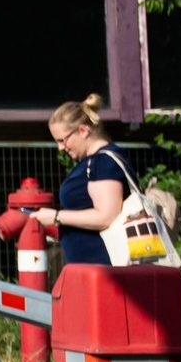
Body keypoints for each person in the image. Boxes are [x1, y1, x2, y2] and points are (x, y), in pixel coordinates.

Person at [34, 94, 133, 266]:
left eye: (62, 140)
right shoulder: (93, 162)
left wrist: (56, 217)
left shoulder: (102, 162)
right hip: (92, 269)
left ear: (83, 130)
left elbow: (106, 216)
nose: (60, 148)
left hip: (104, 270)